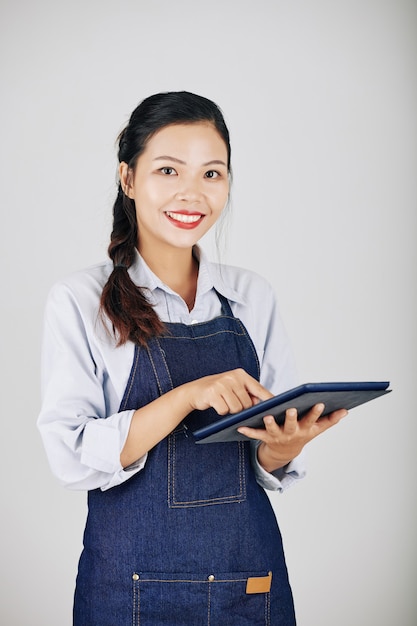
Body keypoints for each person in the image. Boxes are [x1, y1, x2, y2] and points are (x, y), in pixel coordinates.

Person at [37, 91, 347, 625]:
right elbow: (71, 452)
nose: (192, 193)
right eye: (168, 170)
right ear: (128, 179)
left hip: (247, 583)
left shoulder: (252, 297)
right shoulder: (80, 300)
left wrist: (284, 445)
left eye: (212, 174)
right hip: (127, 590)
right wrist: (186, 396)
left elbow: (263, 463)